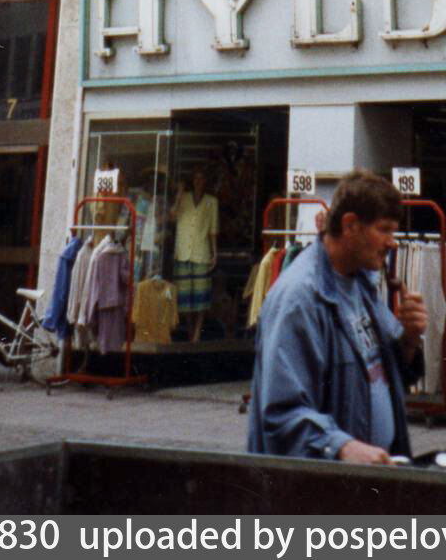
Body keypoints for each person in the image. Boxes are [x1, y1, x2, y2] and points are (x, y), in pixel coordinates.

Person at [247, 169, 427, 463]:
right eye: (384, 230)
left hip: (365, 477)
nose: (392, 242)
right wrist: (342, 447)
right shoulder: (299, 299)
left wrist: (409, 339)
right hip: (324, 483)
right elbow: (281, 413)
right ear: (350, 225)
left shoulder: (361, 283)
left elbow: (388, 372)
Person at [170, 166, 219, 343]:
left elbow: (213, 230)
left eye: (201, 178)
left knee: (201, 296)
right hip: (182, 251)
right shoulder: (183, 198)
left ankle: (197, 332)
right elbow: (172, 217)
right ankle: (190, 330)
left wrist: (215, 253)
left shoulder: (211, 202)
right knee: (184, 298)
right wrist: (178, 194)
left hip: (201, 252)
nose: (198, 181)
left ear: (205, 181)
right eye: (196, 178)